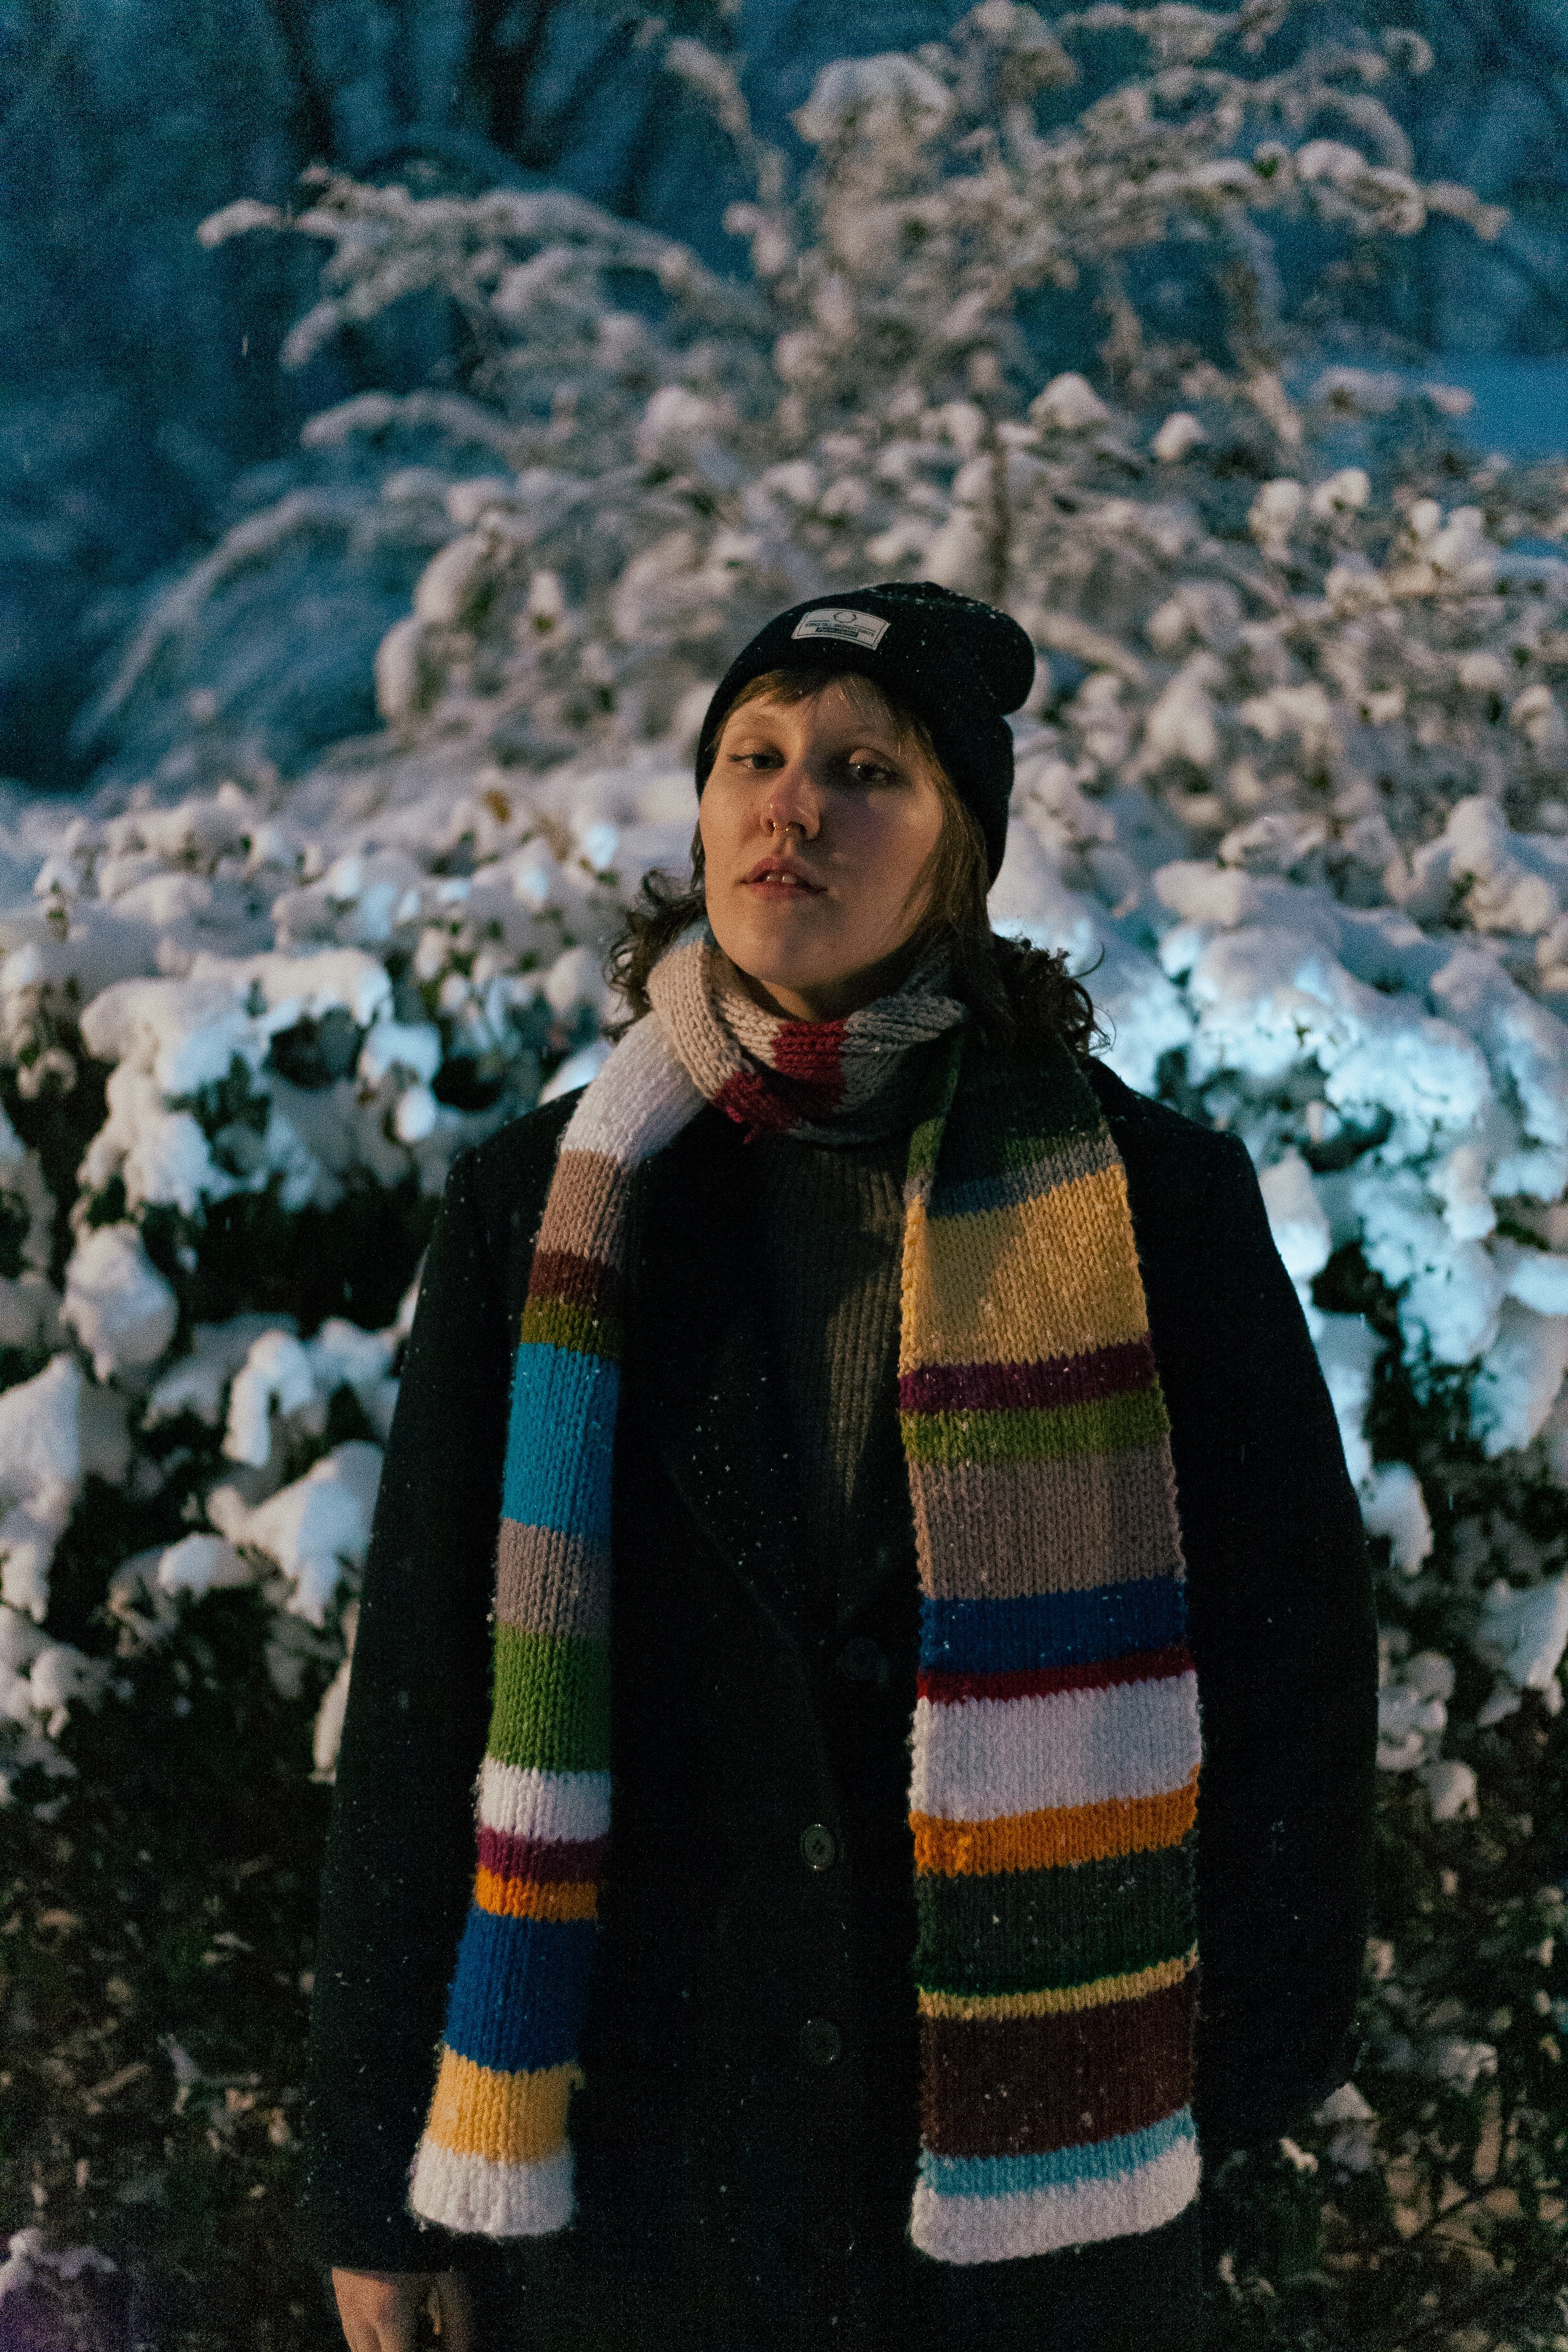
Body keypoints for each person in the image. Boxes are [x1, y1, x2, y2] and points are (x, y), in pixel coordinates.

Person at [302, 582, 1377, 2352]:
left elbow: (1293, 1663)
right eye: (757, 755)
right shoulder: (548, 1211)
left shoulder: (1157, 1206)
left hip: (1041, 2188)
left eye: (868, 769)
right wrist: (375, 2184)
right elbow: (430, 1686)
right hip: (657, 2174)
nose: (794, 804)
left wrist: (1216, 2078)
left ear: (960, 857)